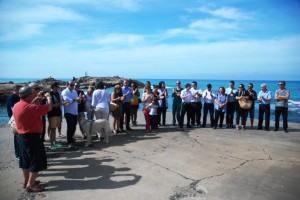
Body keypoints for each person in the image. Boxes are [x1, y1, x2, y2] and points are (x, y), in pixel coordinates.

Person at [13, 86, 52, 192]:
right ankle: (31, 185)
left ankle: (27, 181)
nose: (34, 95)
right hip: (32, 137)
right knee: (36, 161)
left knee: (25, 161)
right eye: (33, 94)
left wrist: (36, 100)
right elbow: (48, 107)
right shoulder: (29, 108)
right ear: (29, 95)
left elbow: (29, 107)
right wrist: (49, 97)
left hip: (21, 136)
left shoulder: (17, 105)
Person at [61, 81, 83, 148]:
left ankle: (72, 139)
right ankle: (69, 141)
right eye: (71, 85)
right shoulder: (65, 91)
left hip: (75, 112)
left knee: (73, 127)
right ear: (67, 84)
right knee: (70, 127)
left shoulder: (74, 92)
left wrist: (79, 99)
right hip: (68, 112)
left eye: (73, 85)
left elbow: (77, 101)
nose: (73, 86)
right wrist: (76, 99)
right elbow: (68, 100)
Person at [45, 82, 64, 150]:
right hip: (52, 114)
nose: (58, 88)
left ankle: (55, 142)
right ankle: (52, 144)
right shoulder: (49, 94)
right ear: (53, 87)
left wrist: (61, 103)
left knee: (55, 128)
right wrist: (60, 104)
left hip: (58, 113)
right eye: (57, 87)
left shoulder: (57, 93)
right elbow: (50, 105)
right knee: (53, 129)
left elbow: (58, 103)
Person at [6, 84, 22, 160]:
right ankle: (17, 154)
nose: (21, 91)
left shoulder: (17, 96)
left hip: (17, 118)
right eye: (20, 89)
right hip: (14, 119)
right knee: (16, 136)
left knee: (19, 136)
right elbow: (13, 109)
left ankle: (19, 153)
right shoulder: (12, 97)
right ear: (15, 89)